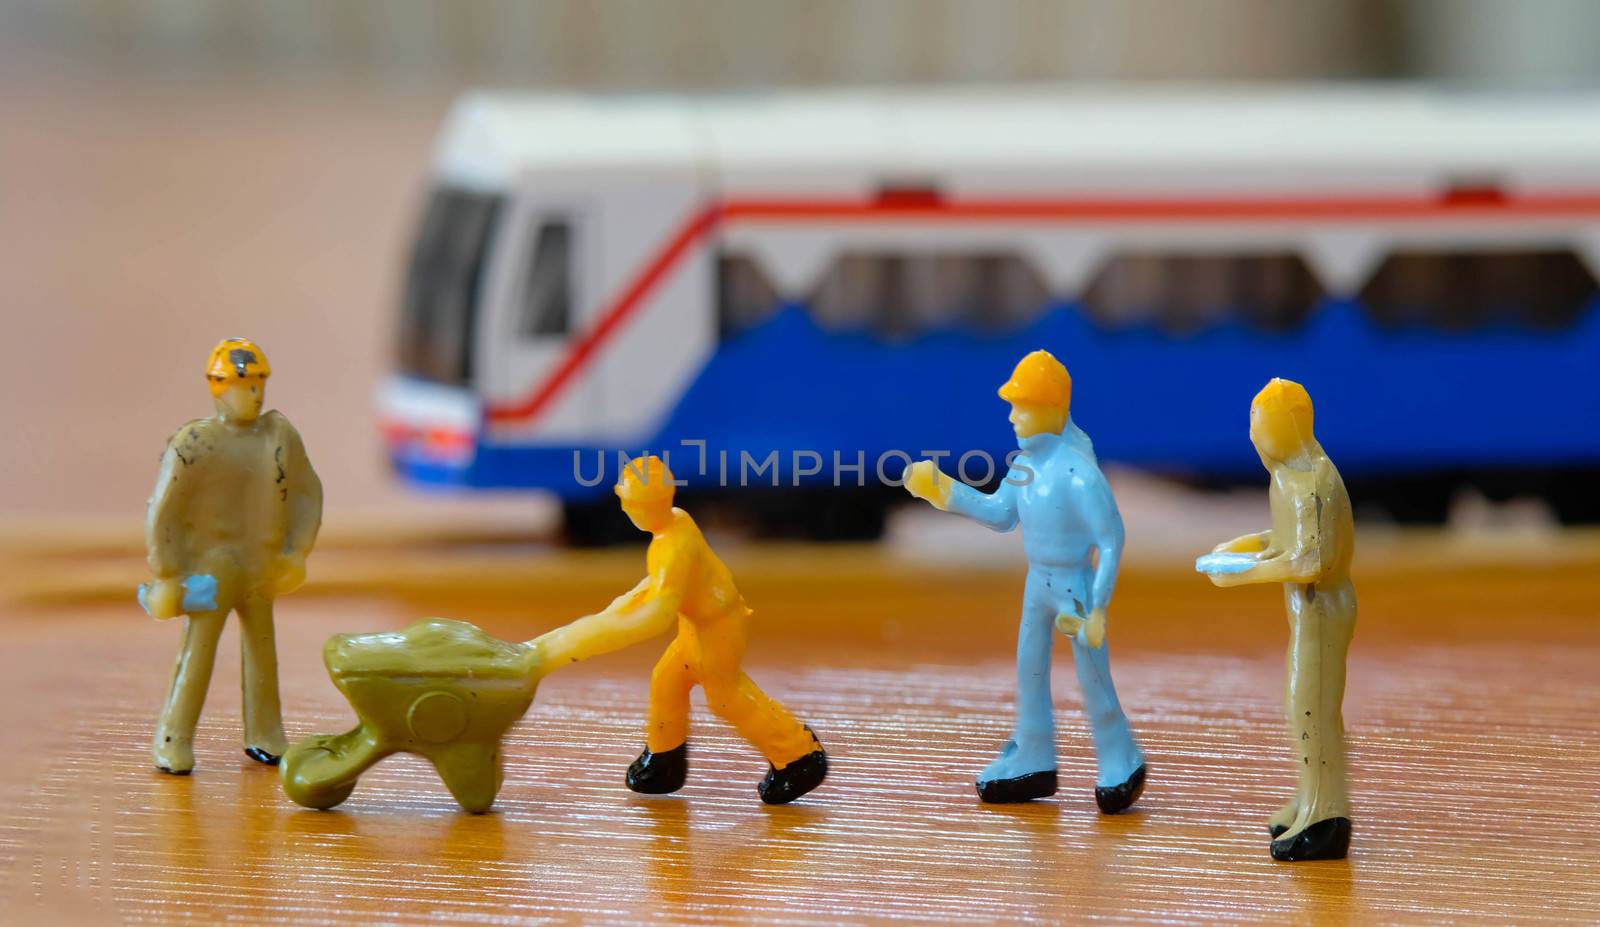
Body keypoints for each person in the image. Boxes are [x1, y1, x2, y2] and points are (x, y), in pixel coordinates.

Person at [904, 350, 1146, 811]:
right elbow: (999, 514)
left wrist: (1097, 607)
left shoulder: (1079, 474)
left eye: (1023, 405)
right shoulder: (1024, 468)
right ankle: (1033, 753)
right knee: (1029, 670)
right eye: (1012, 406)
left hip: (1075, 583)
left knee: (1092, 675)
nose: (1012, 416)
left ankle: (1121, 757)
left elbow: (1111, 538)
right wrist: (944, 490)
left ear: (1054, 409)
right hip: (1038, 583)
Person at [598, 456, 828, 804]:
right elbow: (659, 587)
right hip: (696, 627)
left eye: (627, 503)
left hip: (718, 627)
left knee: (725, 697)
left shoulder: (673, 542)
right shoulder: (676, 524)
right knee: (667, 680)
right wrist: (626, 604)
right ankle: (663, 761)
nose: (626, 510)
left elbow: (661, 604)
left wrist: (617, 628)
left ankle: (799, 755)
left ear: (637, 506)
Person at [143, 338, 322, 774]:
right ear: (218, 387)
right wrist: (168, 572)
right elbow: (166, 511)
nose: (254, 394)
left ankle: (265, 733)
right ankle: (173, 736)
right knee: (198, 649)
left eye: (260, 384)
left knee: (263, 648)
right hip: (211, 567)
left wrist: (296, 551)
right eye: (244, 385)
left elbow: (306, 493)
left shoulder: (279, 437)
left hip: (261, 564)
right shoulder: (195, 443)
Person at [1197, 378, 1356, 861]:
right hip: (1306, 609)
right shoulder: (1289, 477)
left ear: (1289, 426)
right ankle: (1311, 798)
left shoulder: (1310, 483)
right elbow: (1286, 535)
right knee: (1301, 706)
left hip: (1321, 609)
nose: (1254, 438)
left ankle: (1326, 816)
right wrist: (1244, 546)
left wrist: (1243, 574)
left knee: (1313, 709)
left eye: (1261, 426)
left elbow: (1310, 561)